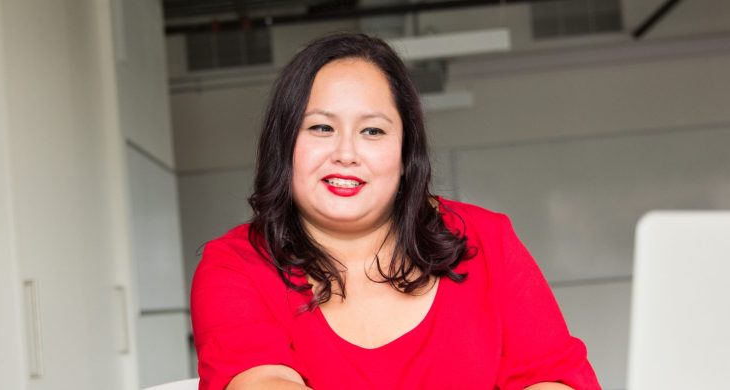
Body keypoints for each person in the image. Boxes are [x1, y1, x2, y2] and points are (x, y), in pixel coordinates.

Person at [190, 32, 600, 390]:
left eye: (373, 130)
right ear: (284, 144)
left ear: (405, 152)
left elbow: (552, 378)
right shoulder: (235, 266)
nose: (346, 153)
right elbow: (261, 382)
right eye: (320, 127)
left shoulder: (486, 239)